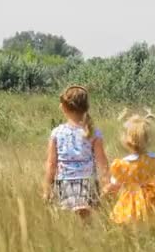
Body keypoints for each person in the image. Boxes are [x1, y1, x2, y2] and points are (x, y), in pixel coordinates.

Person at [42, 85, 109, 220]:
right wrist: (107, 185)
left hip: (65, 182)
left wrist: (46, 189)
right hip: (89, 182)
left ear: (64, 107)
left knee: (69, 221)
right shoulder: (94, 133)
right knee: (90, 222)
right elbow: (103, 163)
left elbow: (51, 164)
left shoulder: (57, 133)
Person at [102, 111, 155, 225]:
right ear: (148, 138)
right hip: (154, 201)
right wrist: (154, 186)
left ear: (127, 140)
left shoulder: (123, 165)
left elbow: (115, 186)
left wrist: (105, 192)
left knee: (132, 227)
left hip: (130, 204)